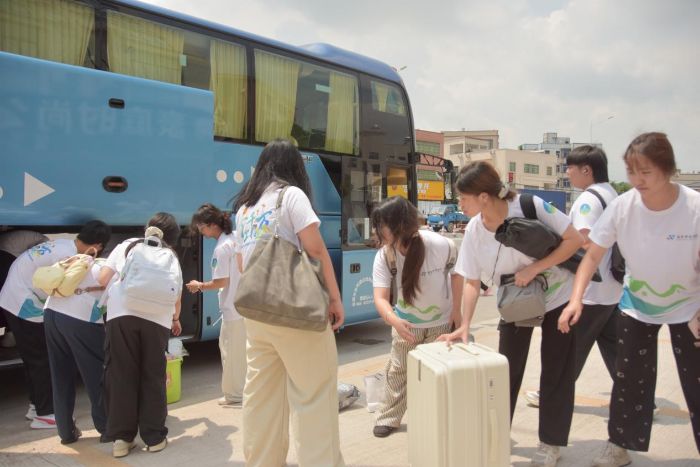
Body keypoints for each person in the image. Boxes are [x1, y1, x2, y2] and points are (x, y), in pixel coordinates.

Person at [558, 132, 700, 466]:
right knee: (629, 380)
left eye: (646, 172)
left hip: (689, 306)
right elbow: (592, 256)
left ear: (668, 169)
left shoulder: (693, 207)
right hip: (637, 305)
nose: (637, 180)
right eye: (632, 172)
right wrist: (576, 300)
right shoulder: (623, 206)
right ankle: (619, 446)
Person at [438, 161, 584, 467]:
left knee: (556, 371)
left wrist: (535, 268)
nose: (459, 204)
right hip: (516, 303)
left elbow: (574, 241)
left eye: (463, 197)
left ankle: (551, 443)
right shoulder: (475, 229)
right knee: (505, 371)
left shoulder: (530, 206)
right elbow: (472, 281)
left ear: (483, 197)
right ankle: (496, 435)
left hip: (557, 296)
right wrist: (465, 324)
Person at [234, 139, 345, 467]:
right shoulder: (290, 195)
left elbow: (242, 264)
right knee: (314, 394)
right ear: (295, 166)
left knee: (261, 396)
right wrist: (334, 299)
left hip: (257, 314)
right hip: (295, 312)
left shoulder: (244, 209)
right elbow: (316, 249)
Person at [525, 145, 622, 408]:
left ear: (586, 170)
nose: (567, 173)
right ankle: (640, 396)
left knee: (570, 349)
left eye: (569, 168)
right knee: (615, 350)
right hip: (611, 288)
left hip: (589, 290)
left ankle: (550, 395)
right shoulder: (612, 194)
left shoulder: (588, 200)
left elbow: (584, 242)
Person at [0, 221, 110, 430]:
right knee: (41, 359)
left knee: (32, 357)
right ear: (97, 245)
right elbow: (69, 290)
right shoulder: (70, 257)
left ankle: (36, 405)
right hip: (24, 304)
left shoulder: (62, 244)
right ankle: (45, 414)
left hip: (12, 296)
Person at [371, 196, 463, 438]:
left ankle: (435, 419)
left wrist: (457, 312)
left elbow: (457, 275)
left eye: (381, 225)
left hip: (441, 324)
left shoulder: (441, 244)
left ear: (398, 225)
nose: (377, 231)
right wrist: (393, 320)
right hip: (405, 325)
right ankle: (389, 417)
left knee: (437, 374)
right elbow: (380, 298)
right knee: (398, 371)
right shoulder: (385, 256)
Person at [98, 213, 183, 458]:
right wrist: (174, 319)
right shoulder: (170, 255)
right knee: (152, 376)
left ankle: (121, 440)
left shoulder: (126, 245)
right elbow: (176, 298)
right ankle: (154, 438)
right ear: (172, 237)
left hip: (121, 314)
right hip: (157, 319)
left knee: (121, 375)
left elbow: (102, 279)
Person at [43, 225, 113, 444]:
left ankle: (66, 432)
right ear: (100, 245)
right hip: (80, 320)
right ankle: (106, 427)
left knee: (60, 374)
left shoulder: (69, 260)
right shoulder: (102, 267)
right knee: (96, 374)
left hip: (51, 313)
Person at [186, 204, 245, 407]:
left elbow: (221, 282)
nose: (200, 231)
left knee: (230, 352)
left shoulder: (221, 248)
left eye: (201, 227)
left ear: (212, 225)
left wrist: (199, 286)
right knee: (243, 353)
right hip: (245, 305)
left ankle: (234, 395)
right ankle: (242, 391)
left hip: (233, 308)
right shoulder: (236, 238)